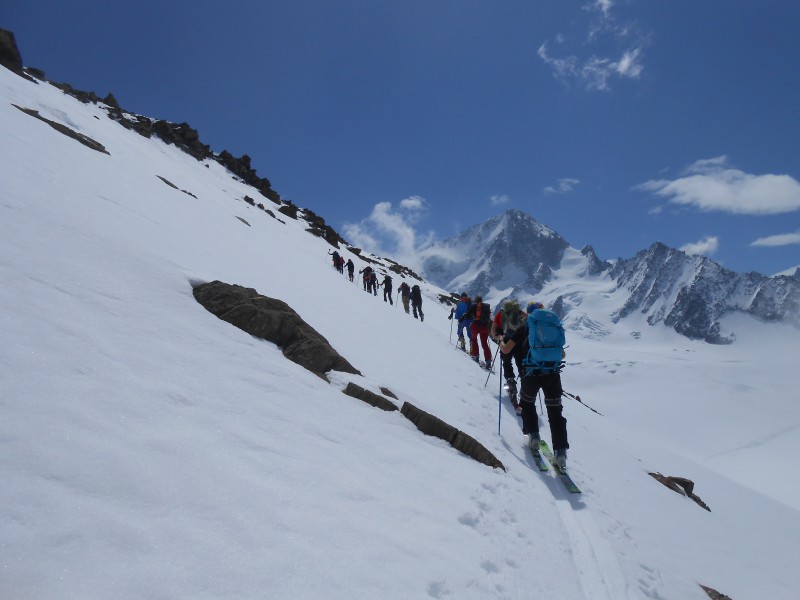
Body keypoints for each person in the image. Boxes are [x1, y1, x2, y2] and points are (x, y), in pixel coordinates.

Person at [498, 301, 569, 471]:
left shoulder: (524, 328)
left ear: (528, 314)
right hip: (552, 374)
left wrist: (501, 340)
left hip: (531, 374)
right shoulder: (552, 326)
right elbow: (562, 353)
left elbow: (507, 350)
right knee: (555, 413)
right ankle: (560, 452)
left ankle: (534, 436)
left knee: (527, 403)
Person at [491, 299, 524, 413]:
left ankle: (510, 382)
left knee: (506, 362)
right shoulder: (521, 314)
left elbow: (493, 330)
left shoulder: (501, 314)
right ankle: (525, 387)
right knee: (521, 363)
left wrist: (498, 337)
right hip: (520, 342)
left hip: (506, 341)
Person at [463, 295, 492, 368]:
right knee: (485, 344)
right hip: (484, 327)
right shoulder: (486, 307)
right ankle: (488, 361)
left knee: (474, 340)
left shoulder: (474, 306)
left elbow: (468, 314)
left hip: (475, 326)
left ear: (476, 300)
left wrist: (465, 315)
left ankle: (476, 356)